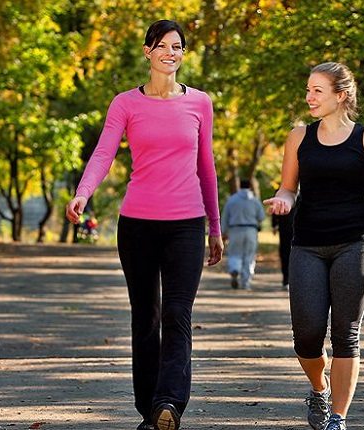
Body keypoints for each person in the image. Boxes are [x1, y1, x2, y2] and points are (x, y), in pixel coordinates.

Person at [65, 19, 223, 430]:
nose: (172, 53)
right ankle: (149, 409)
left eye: (178, 47)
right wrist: (84, 192)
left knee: (177, 312)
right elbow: (103, 152)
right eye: (164, 46)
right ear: (148, 51)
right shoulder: (125, 104)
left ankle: (169, 402)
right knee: (146, 315)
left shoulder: (200, 103)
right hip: (136, 223)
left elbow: (206, 168)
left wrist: (215, 228)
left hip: (186, 224)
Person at [264, 62, 364, 430]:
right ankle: (319, 386)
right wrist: (282, 202)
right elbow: (288, 187)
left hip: (355, 244)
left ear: (340, 96)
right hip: (307, 245)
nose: (309, 97)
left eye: (317, 91)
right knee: (307, 334)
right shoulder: (298, 137)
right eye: (308, 90)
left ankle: (338, 418)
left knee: (346, 333)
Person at [221, 178, 265, 290]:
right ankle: (245, 282)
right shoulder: (255, 200)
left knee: (235, 253)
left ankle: (235, 269)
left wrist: (223, 232)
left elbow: (225, 217)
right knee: (249, 256)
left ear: (239, 186)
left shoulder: (232, 200)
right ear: (250, 186)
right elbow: (261, 217)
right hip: (251, 229)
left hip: (235, 229)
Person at [271, 205, 295, 290]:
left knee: (288, 253)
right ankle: (286, 279)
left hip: (292, 227)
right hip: (286, 227)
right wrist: (274, 224)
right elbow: (275, 209)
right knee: (285, 253)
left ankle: (289, 279)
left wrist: (274, 224)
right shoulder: (281, 192)